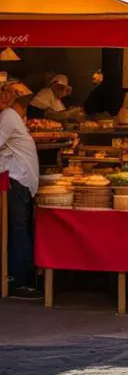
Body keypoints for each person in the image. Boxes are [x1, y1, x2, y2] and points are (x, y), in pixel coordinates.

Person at [0, 90, 41, 299]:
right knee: (18, 229)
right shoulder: (8, 116)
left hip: (17, 180)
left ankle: (20, 281)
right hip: (21, 180)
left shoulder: (7, 116)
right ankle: (19, 278)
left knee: (17, 230)